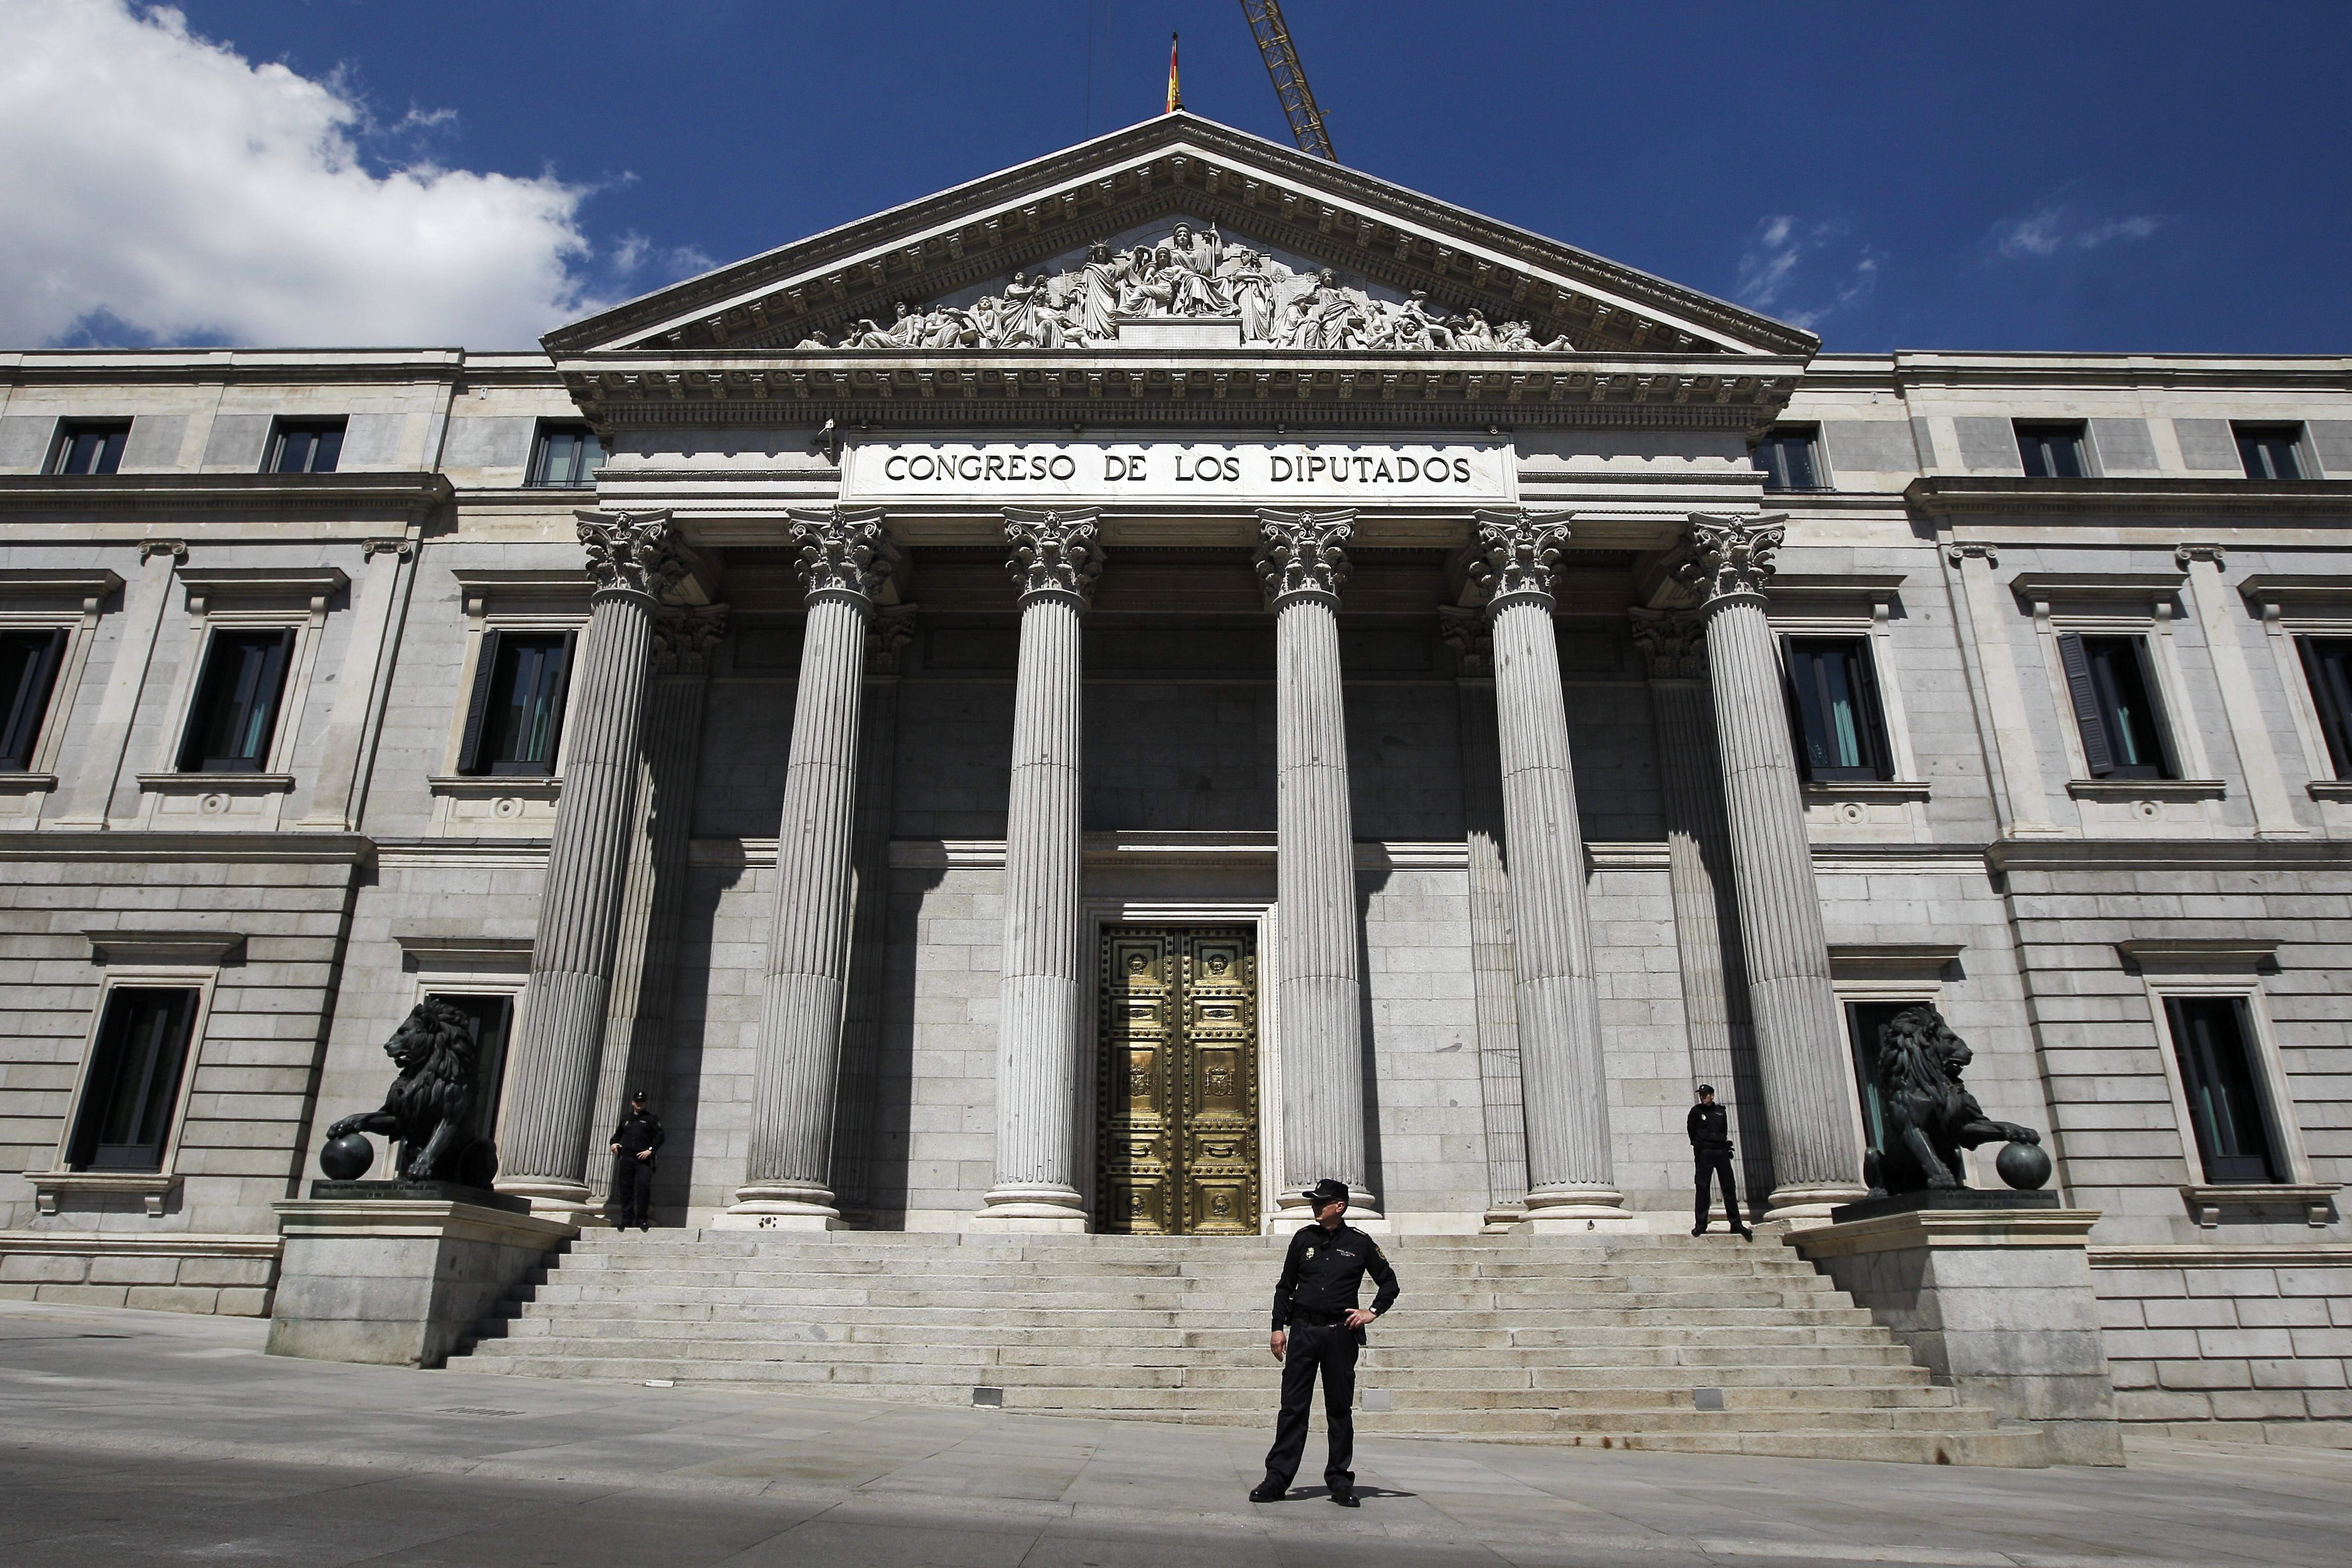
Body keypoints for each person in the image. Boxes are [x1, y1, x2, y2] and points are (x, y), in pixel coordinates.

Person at [1250, 1178, 1398, 1508]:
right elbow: (1284, 1287)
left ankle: (1340, 1481)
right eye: (1314, 1202)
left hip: (1339, 1334)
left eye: (1321, 1202)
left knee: (1338, 1411)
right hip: (1303, 1331)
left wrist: (1372, 1311)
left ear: (1340, 1206)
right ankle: (1276, 1479)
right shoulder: (1304, 1239)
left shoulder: (1360, 1243)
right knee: (1292, 1409)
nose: (1315, 1207)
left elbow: (1389, 1282)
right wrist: (1278, 1328)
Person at [1688, 1084, 1752, 1239]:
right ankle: (1701, 1225)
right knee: (1703, 1187)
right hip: (1705, 1152)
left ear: (1712, 1096)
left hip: (1721, 1151)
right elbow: (1691, 1130)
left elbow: (1724, 1130)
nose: (1702, 1097)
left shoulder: (1720, 1111)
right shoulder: (1696, 1112)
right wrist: (1698, 1145)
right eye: (1701, 1095)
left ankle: (1735, 1223)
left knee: (1729, 1187)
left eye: (1705, 1095)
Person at [608, 1089, 665, 1231]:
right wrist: (614, 1144)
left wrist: (650, 1150)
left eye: (642, 1102)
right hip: (627, 1157)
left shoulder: (651, 1119)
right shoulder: (626, 1119)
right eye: (638, 1101)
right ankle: (627, 1218)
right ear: (633, 1103)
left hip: (642, 1159)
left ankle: (642, 1219)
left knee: (643, 1188)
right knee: (626, 1189)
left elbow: (660, 1137)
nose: (640, 1104)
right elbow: (617, 1136)